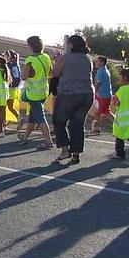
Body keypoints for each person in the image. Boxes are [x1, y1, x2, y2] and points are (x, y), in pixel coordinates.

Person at [52, 35, 95, 165]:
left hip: (69, 93)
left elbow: (55, 73)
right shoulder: (88, 59)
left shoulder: (66, 58)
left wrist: (58, 60)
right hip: (87, 94)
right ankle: (76, 154)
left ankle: (65, 150)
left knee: (58, 121)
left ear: (71, 45)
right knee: (77, 124)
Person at [19, 36, 54, 149]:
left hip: (33, 94)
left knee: (40, 118)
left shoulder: (30, 59)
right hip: (44, 91)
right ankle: (25, 137)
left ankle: (48, 141)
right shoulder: (46, 57)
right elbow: (51, 73)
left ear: (30, 46)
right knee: (33, 117)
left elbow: (24, 77)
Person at [91, 55, 114, 134]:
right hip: (107, 95)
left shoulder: (101, 71)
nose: (96, 63)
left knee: (97, 112)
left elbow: (98, 83)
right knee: (106, 112)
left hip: (101, 95)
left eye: (97, 61)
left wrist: (94, 91)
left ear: (102, 62)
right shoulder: (105, 71)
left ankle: (97, 128)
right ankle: (118, 124)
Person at [6, 50, 22, 127]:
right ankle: (15, 118)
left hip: (9, 88)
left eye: (6, 56)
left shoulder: (8, 65)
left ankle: (2, 124)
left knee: (4, 107)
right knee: (10, 106)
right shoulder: (16, 65)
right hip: (14, 87)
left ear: (9, 57)